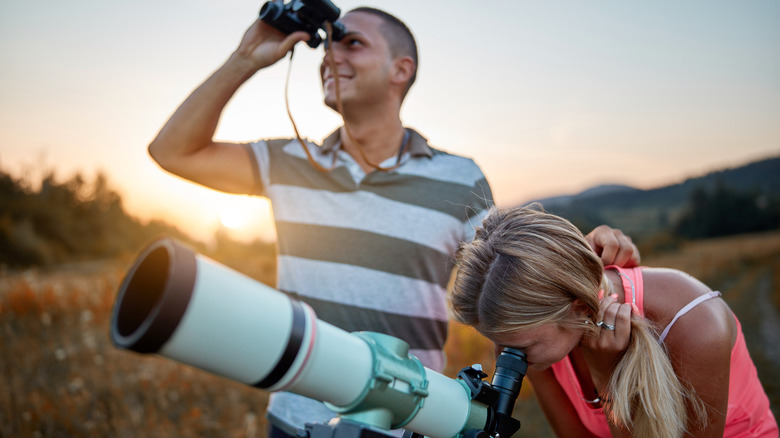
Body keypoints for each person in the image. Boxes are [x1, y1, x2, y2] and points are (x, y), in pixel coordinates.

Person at [147, 7, 641, 437]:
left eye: (352, 43)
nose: (330, 55)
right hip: (295, 415)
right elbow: (171, 151)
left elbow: (515, 279)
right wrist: (246, 58)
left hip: (410, 419)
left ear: (400, 69)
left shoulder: (459, 177)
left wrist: (586, 255)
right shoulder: (287, 162)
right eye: (327, 46)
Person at [449, 205, 778, 438]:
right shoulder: (531, 342)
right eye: (499, 342)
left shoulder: (696, 326)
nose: (504, 358)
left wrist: (608, 379)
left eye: (518, 347)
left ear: (578, 306)